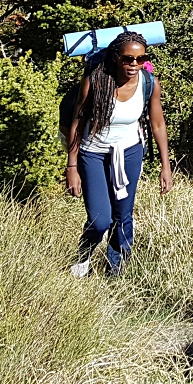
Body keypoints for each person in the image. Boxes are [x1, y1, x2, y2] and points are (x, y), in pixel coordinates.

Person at [66, 30, 173, 277]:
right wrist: (72, 167)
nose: (134, 64)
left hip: (129, 153)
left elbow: (158, 124)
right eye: (128, 59)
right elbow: (77, 123)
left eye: (140, 59)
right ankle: (83, 256)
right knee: (101, 219)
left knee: (123, 215)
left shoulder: (149, 83)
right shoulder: (95, 82)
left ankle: (116, 269)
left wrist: (165, 166)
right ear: (115, 58)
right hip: (93, 153)